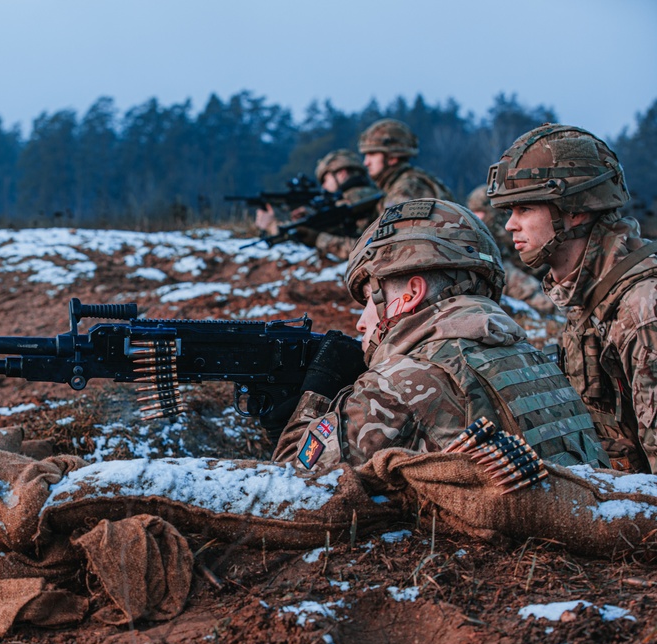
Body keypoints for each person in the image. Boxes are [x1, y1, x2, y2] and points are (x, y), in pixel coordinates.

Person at [262, 198, 608, 472]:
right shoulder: (531, 359)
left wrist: (317, 394)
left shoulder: (401, 385)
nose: (361, 322)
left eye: (370, 298)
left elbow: (293, 481)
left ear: (411, 293)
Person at [486, 123, 657, 472]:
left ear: (575, 210)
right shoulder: (590, 293)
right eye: (510, 212)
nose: (510, 226)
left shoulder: (642, 309)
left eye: (525, 210)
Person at [254, 149, 382, 260]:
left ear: (342, 173)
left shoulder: (353, 201)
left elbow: (357, 246)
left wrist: (272, 226)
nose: (324, 186)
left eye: (325, 180)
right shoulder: (370, 196)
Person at [466, 185, 555, 315]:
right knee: (542, 302)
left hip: (528, 269)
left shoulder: (508, 225)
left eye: (481, 213)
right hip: (499, 268)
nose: (477, 218)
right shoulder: (478, 232)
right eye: (474, 213)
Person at [358, 119, 454, 209]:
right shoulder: (398, 185)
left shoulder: (408, 188)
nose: (366, 162)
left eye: (372, 154)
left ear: (392, 158)